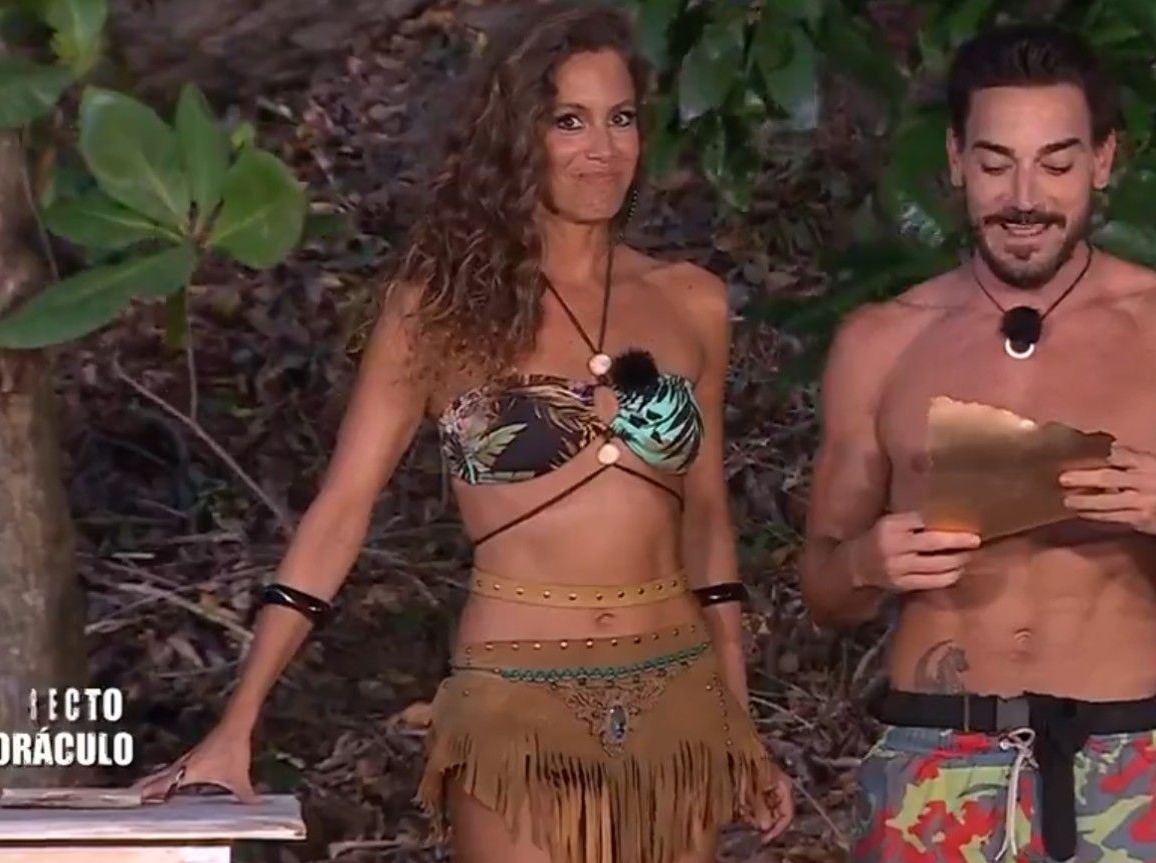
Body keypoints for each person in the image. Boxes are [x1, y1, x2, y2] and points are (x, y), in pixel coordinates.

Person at [132, 5, 795, 862]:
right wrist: (238, 722)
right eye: (568, 121)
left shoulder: (691, 300)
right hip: (516, 692)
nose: (602, 148)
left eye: (621, 117)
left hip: (672, 687)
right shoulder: (438, 310)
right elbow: (341, 511)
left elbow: (705, 517)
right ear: (514, 136)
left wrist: (736, 715)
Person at [798, 23, 1156, 863]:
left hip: (1120, 757)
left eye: (1055, 164)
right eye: (995, 164)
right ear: (955, 160)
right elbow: (823, 592)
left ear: (1103, 160)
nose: (1024, 198)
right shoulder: (881, 341)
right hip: (932, 759)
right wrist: (869, 562)